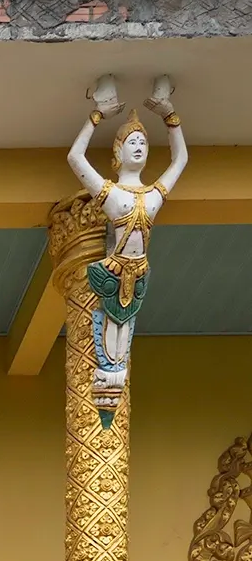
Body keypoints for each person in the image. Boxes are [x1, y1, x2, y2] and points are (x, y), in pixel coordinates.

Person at [66, 75, 188, 424]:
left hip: (137, 279)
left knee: (121, 350)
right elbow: (75, 158)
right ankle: (106, 388)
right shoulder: (112, 195)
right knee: (111, 350)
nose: (138, 147)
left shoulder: (152, 196)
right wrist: (97, 115)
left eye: (143, 143)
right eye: (131, 142)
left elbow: (180, 160)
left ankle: (111, 386)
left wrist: (170, 115)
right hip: (112, 274)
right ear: (117, 152)